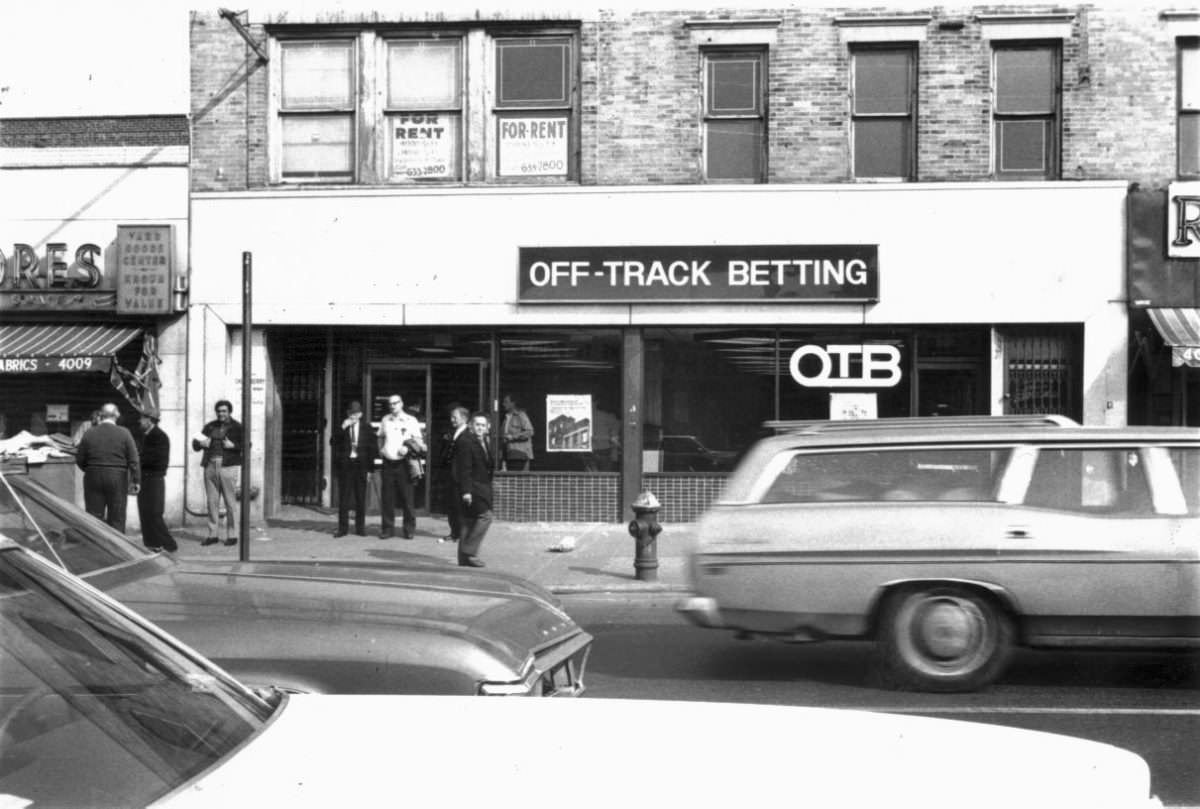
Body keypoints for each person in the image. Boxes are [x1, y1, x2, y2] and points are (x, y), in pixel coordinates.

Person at [74, 403, 140, 533]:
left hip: (93, 477)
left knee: (94, 518)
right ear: (117, 415)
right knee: (117, 518)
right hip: (118, 478)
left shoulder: (89, 433)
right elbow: (134, 460)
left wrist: (90, 470)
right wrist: (136, 480)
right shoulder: (125, 433)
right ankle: (118, 549)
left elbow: (80, 459)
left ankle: (96, 549)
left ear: (101, 415)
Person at [192, 400, 244, 547]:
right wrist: (201, 444)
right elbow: (195, 443)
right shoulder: (210, 426)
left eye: (224, 411)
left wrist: (233, 446)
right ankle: (213, 534)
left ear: (229, 412)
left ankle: (232, 535)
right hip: (210, 465)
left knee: (230, 502)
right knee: (212, 502)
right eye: (219, 411)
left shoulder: (237, 427)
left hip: (228, 466)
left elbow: (247, 445)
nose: (221, 414)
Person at [376, 393, 425, 539]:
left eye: (395, 403)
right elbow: (380, 436)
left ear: (401, 403)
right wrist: (381, 451)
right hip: (388, 463)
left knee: (407, 497)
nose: (392, 406)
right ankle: (387, 529)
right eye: (390, 404)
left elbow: (418, 442)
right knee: (387, 498)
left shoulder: (411, 420)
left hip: (404, 463)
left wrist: (408, 449)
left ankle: (409, 529)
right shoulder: (385, 419)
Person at [453, 411, 494, 567]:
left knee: (468, 521)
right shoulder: (466, 442)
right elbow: (464, 469)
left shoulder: (484, 441)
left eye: (483, 425)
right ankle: (469, 551)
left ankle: (463, 560)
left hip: (482, 486)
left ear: (488, 427)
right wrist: (466, 491)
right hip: (473, 488)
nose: (480, 428)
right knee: (486, 516)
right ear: (471, 425)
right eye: (477, 425)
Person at [331, 400, 376, 537]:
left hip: (361, 466)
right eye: (351, 413)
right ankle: (342, 528)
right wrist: (342, 427)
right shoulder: (343, 427)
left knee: (360, 497)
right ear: (347, 413)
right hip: (346, 466)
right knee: (344, 498)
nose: (353, 416)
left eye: (356, 413)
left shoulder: (367, 428)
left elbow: (372, 449)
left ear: (360, 414)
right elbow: (332, 442)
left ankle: (360, 528)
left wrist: (370, 470)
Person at [136, 411, 177, 552]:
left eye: (142, 419)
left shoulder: (159, 436)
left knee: (154, 513)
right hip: (145, 479)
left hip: (154, 479)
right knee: (144, 512)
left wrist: (138, 458)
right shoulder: (146, 436)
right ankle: (151, 544)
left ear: (149, 420)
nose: (139, 421)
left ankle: (169, 545)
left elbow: (158, 460)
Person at [439, 405, 469, 544]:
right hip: (451, 475)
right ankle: (454, 532)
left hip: (460, 476)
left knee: (459, 507)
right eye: (451, 417)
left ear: (463, 418)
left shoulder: (467, 434)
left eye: (454, 417)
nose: (452, 420)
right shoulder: (454, 432)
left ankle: (462, 534)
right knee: (451, 505)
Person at [500, 394, 534, 471]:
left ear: (513, 403)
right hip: (508, 454)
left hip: (519, 454)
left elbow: (530, 432)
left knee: (518, 479)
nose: (503, 404)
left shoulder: (521, 415)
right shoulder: (505, 418)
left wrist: (513, 436)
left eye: (506, 402)